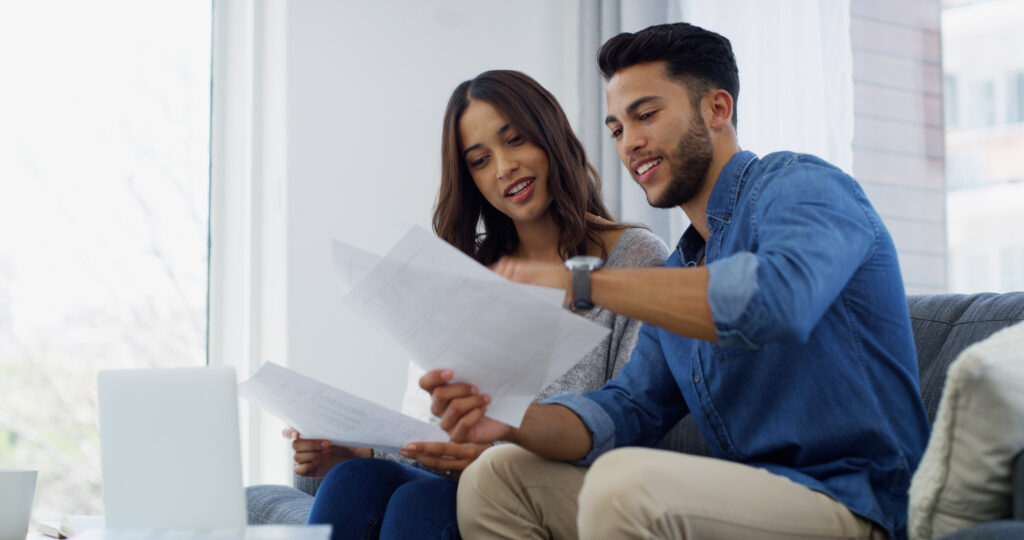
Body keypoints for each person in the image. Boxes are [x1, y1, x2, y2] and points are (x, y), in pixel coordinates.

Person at [424, 23, 930, 540]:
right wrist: (510, 420)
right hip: (749, 500)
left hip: (859, 505)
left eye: (645, 115)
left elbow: (777, 298)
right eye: (617, 129)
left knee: (623, 485)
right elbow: (625, 411)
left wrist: (583, 283)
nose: (630, 143)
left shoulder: (802, 186)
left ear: (717, 109)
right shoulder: (682, 271)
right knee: (497, 478)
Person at [249, 69, 673, 540]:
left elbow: (629, 416)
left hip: (545, 488)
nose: (503, 167)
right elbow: (437, 429)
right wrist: (360, 450)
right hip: (456, 477)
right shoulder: (470, 269)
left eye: (515, 140)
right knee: (353, 479)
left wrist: (492, 457)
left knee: (420, 503)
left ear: (551, 137)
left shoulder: (633, 257)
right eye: (480, 160)